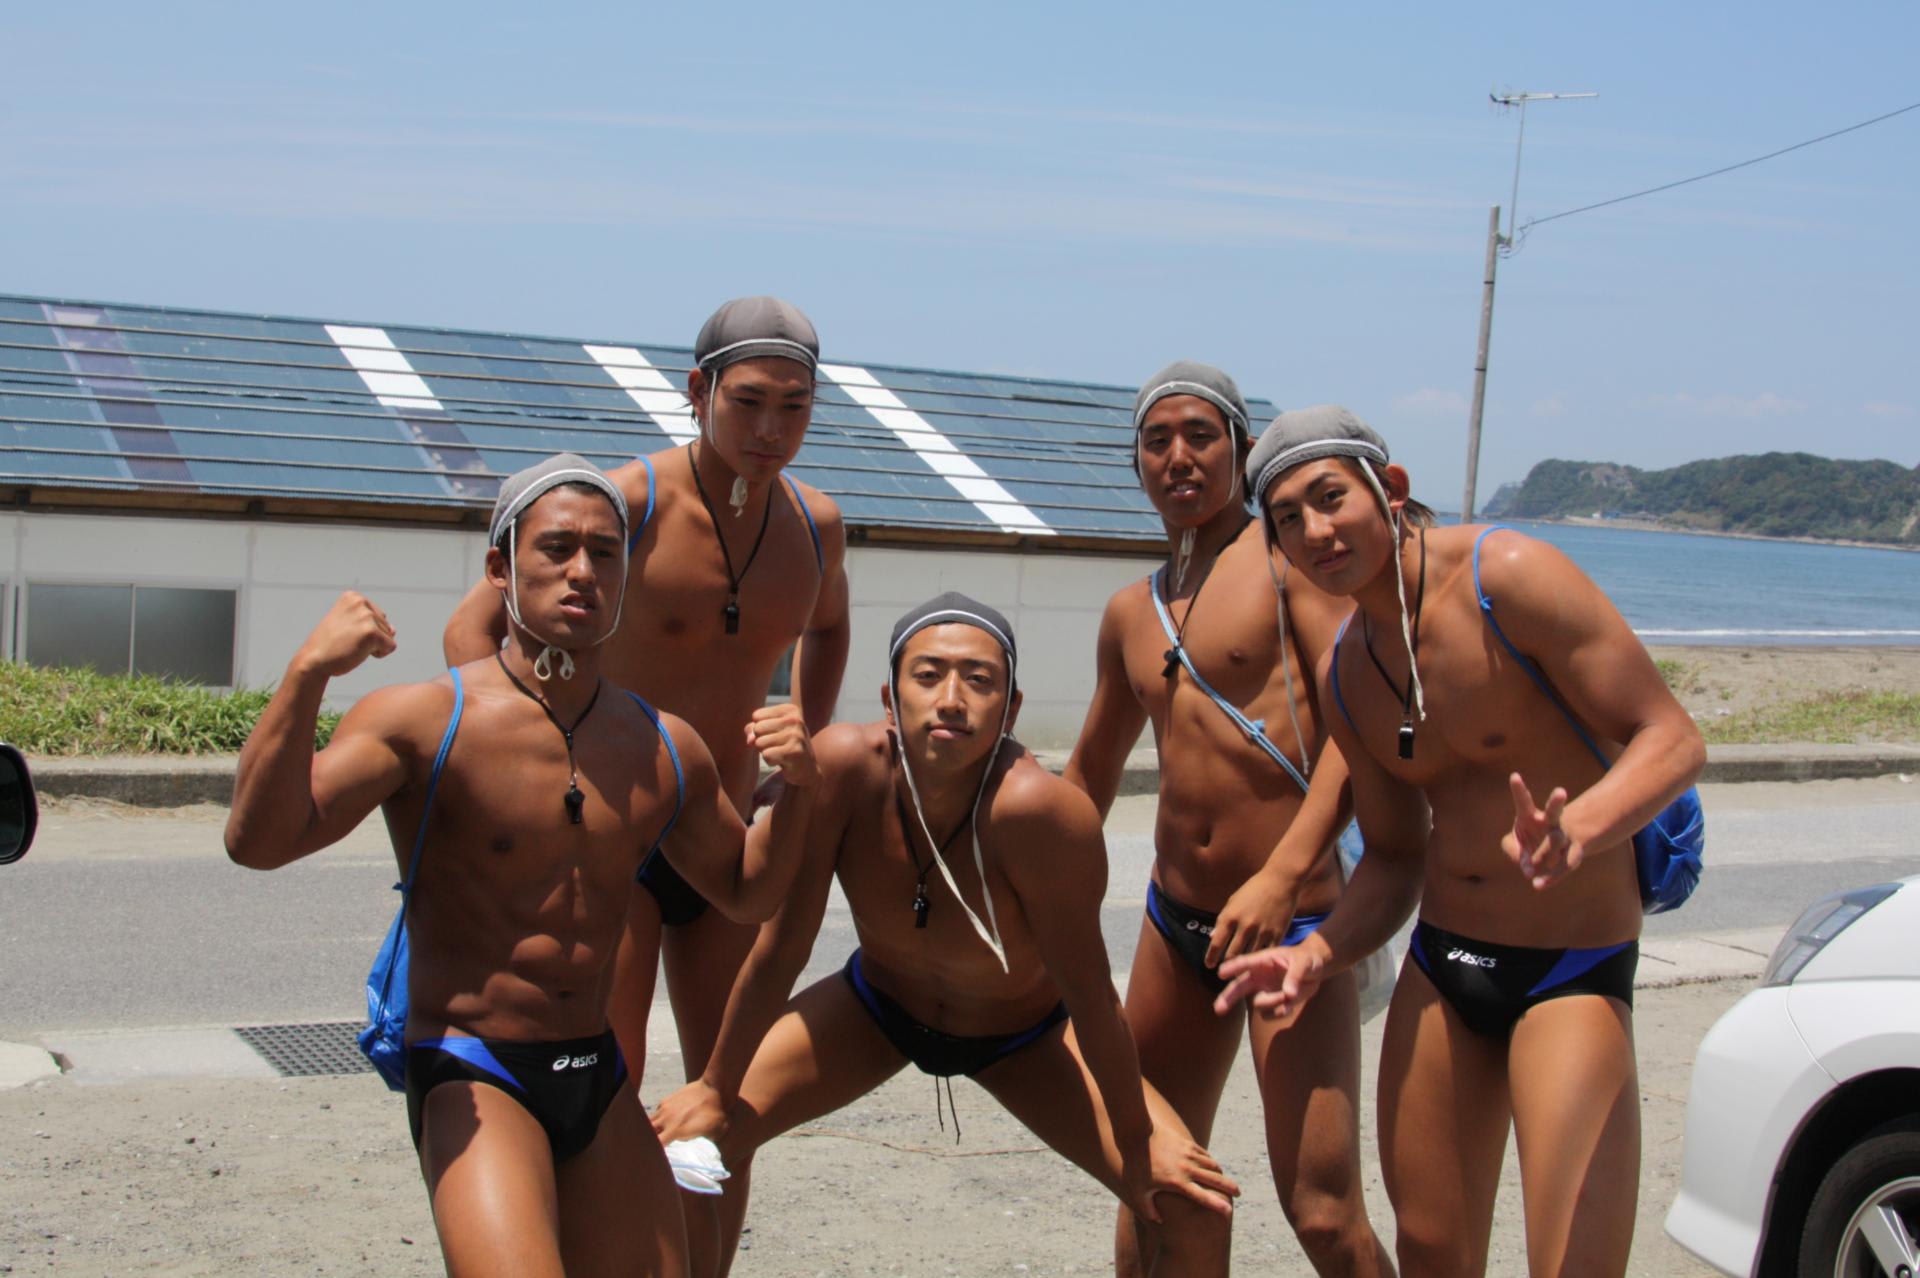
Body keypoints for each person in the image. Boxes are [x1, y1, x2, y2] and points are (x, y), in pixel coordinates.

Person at [231, 454, 821, 1277]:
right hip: (474, 1069)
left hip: (596, 1071)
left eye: (606, 553)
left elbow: (746, 893)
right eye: (556, 548)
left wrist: (794, 791)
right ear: (500, 569)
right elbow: (259, 842)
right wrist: (306, 675)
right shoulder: (425, 721)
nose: (583, 571)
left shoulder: (662, 746)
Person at [1219, 406, 1706, 1278]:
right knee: (1432, 1254)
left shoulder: (1506, 578)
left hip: (1571, 967)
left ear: (1390, 490)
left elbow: (1671, 737)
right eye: (1287, 519)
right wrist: (1316, 954)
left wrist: (1583, 827)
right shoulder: (1347, 671)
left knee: (1574, 1265)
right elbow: (1396, 858)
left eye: (1329, 498)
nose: (1315, 531)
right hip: (1445, 967)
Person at [653, 594, 1241, 1277]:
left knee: (1193, 1207)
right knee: (681, 1149)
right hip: (875, 1008)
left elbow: (1091, 998)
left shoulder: (1042, 814)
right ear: (889, 698)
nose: (952, 700)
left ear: (1011, 710)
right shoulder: (842, 770)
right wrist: (715, 1088)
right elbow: (781, 949)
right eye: (928, 676)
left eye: (979, 680)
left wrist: (1137, 1144)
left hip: (1024, 1034)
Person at [442, 297, 852, 1112]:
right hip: (614, 830)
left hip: (729, 832)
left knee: (729, 1092)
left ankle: (703, 1204)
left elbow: (830, 625)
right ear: (699, 391)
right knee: (606, 1081)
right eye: (748, 402)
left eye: (794, 407)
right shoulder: (627, 502)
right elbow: (471, 629)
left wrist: (805, 731)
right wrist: (539, 750)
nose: (770, 429)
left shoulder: (816, 525)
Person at [1064, 363, 1392, 1276]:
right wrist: (1010, 875)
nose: (1178, 456)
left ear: (1241, 451)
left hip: (1297, 924)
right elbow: (1087, 777)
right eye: (1157, 440)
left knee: (1323, 1211)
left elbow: (1356, 733)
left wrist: (1282, 876)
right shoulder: (1130, 612)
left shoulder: (1291, 566)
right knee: (1154, 1179)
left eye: (1200, 436)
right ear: (1136, 462)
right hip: (1177, 926)